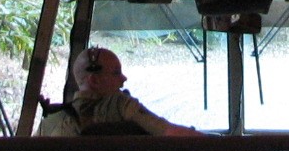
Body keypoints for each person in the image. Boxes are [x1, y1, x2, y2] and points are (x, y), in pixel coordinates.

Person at [35, 47, 199, 137]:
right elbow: (168, 132)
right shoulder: (120, 105)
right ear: (94, 80)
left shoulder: (50, 122)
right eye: (116, 73)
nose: (123, 78)